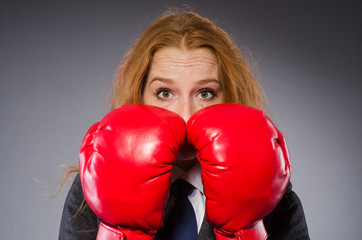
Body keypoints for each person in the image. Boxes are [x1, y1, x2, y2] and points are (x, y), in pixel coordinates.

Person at [59, 10, 309, 240]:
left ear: (229, 98)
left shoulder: (269, 191)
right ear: (139, 97)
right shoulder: (94, 187)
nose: (186, 115)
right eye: (165, 93)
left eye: (205, 93)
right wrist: (122, 231)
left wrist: (244, 230)